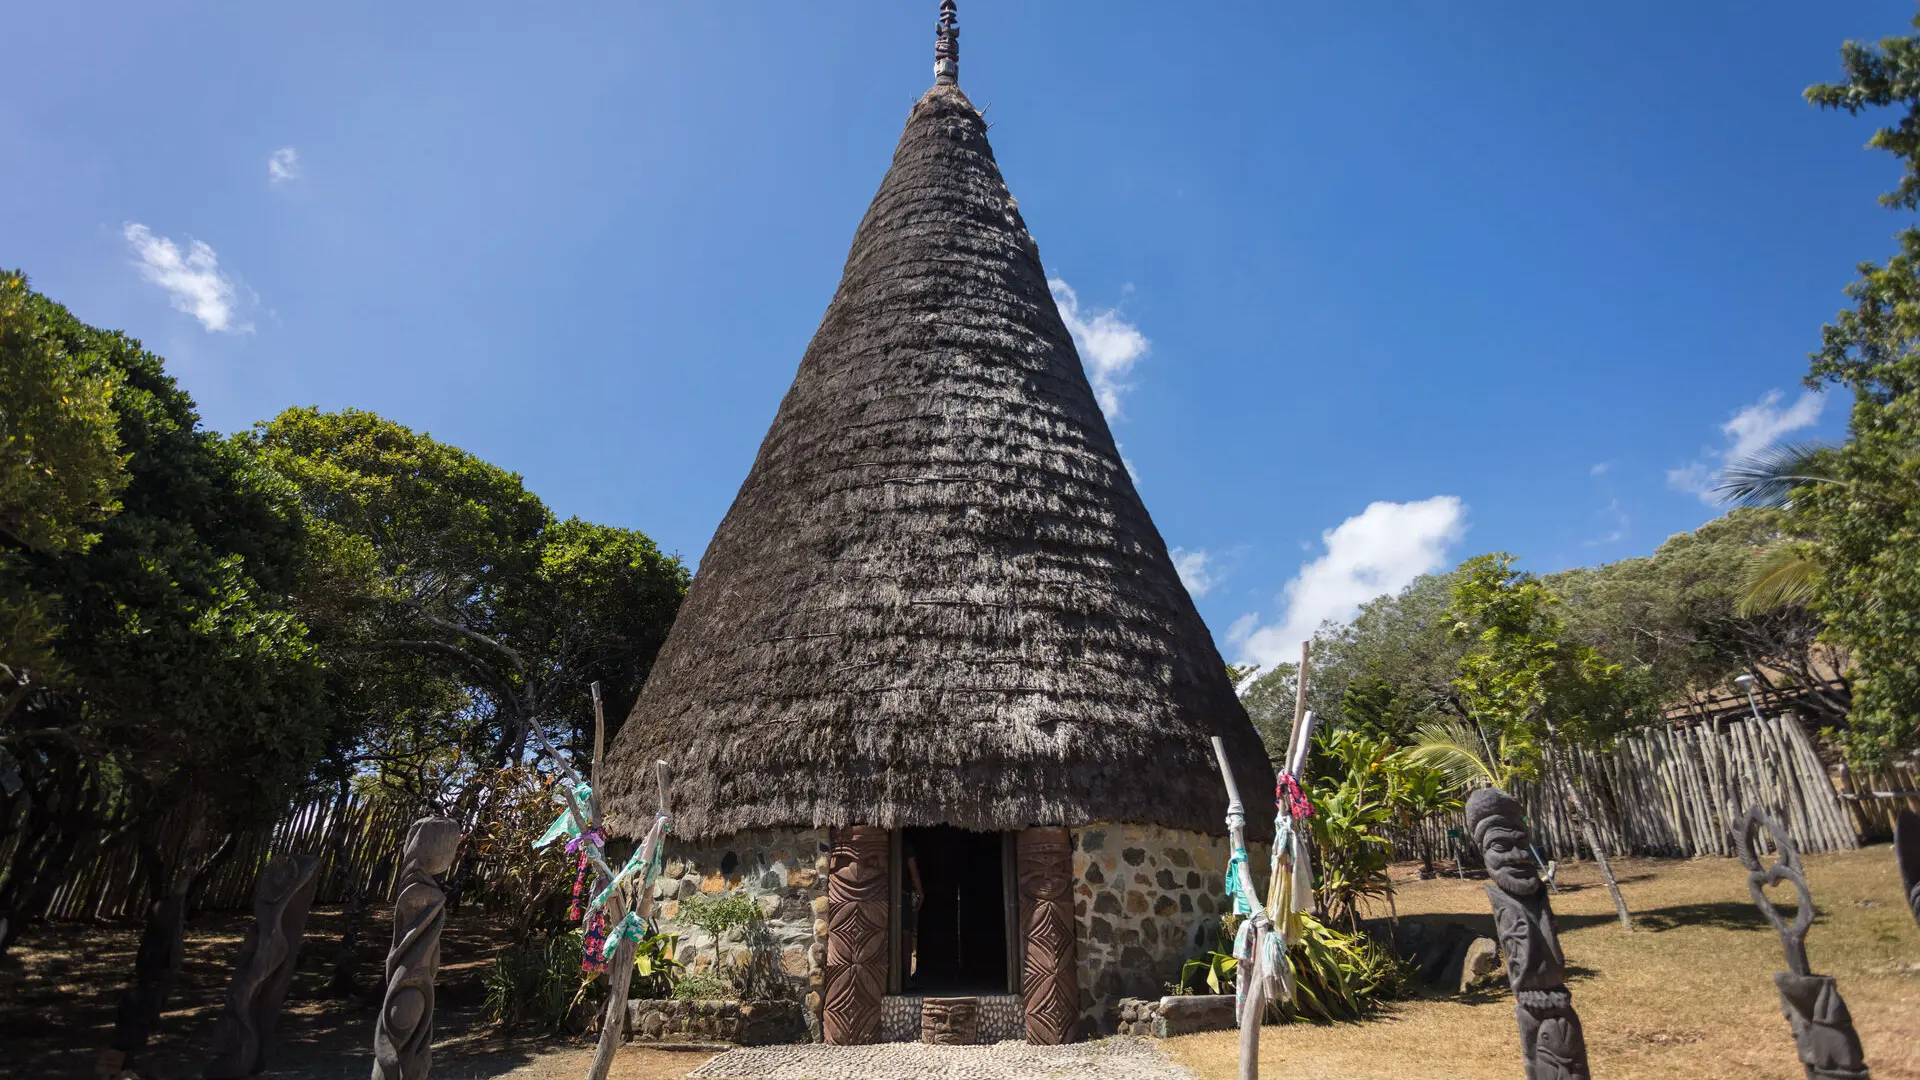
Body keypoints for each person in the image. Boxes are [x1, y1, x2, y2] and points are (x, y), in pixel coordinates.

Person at [902, 838, 924, 988]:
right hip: (902, 896)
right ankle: (905, 979)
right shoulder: (906, 845)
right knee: (905, 936)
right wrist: (920, 892)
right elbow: (913, 870)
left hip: (889, 894)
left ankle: (902, 978)